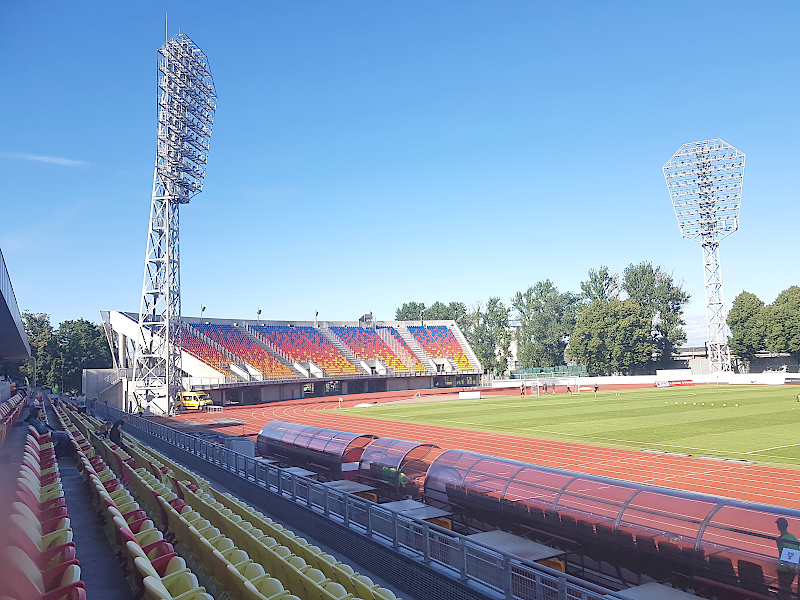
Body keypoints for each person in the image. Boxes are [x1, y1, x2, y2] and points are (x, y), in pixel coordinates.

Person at [776, 517, 799, 599]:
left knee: (783, 589)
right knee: (787, 588)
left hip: (783, 569)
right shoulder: (793, 537)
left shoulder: (779, 540)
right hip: (793, 567)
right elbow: (797, 551)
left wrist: (790, 568)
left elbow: (785, 556)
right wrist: (795, 567)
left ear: (778, 526)